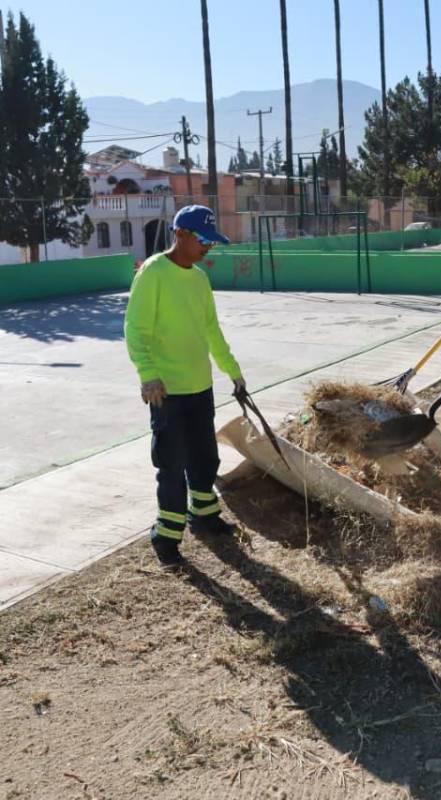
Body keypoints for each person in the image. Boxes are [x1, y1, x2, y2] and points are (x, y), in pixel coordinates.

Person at [124, 205, 245, 566]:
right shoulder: (153, 273)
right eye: (203, 239)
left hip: (199, 388)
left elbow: (211, 330)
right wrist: (148, 374)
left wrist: (232, 371)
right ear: (180, 234)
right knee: (172, 466)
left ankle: (204, 515)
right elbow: (135, 329)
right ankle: (166, 537)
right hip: (167, 392)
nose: (208, 247)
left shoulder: (200, 279)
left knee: (205, 458)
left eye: (212, 241)